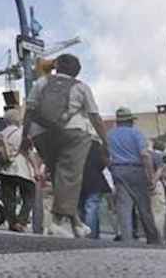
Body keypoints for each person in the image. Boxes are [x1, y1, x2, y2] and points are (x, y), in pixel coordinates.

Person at [21, 54, 107, 238]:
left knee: (60, 177)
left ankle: (76, 223)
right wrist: (106, 142)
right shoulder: (81, 87)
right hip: (74, 133)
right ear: (77, 71)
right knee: (70, 177)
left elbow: (29, 110)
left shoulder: (42, 83)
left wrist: (24, 137)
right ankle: (57, 222)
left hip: (41, 134)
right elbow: (95, 117)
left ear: (57, 66)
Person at [107, 107, 160, 244]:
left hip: (118, 170)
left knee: (124, 207)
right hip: (136, 170)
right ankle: (153, 238)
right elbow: (144, 155)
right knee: (143, 206)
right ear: (130, 121)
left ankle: (127, 238)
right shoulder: (136, 133)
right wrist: (150, 176)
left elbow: (105, 155)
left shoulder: (110, 135)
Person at [0, 107, 36, 233]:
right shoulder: (21, 133)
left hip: (4, 169)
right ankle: (21, 221)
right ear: (18, 120)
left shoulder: (0, 135)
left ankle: (12, 223)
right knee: (29, 195)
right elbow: (29, 152)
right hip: (21, 169)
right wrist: (36, 168)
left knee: (9, 198)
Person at [78, 136, 112, 239]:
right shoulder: (95, 145)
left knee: (80, 207)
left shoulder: (72, 144)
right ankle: (92, 235)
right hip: (94, 179)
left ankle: (83, 233)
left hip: (77, 179)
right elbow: (103, 163)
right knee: (92, 207)